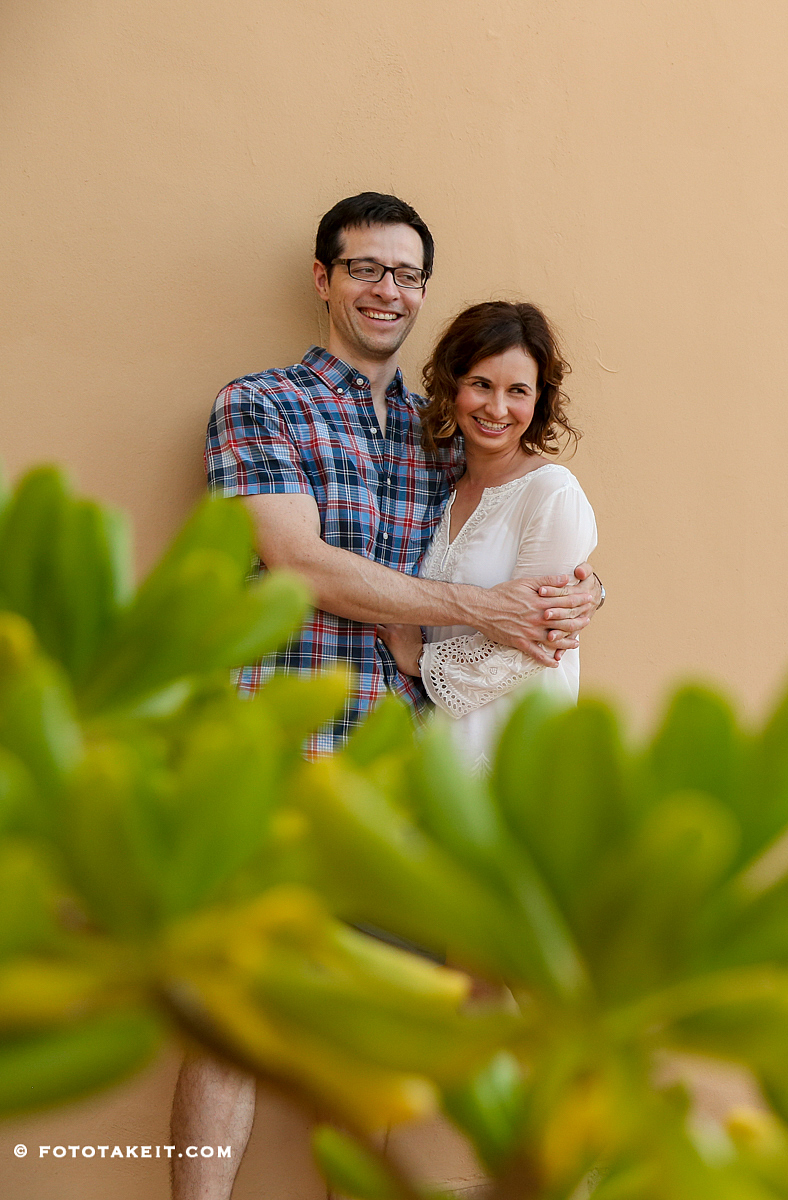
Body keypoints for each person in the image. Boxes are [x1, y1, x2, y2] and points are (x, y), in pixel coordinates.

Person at [189, 193, 602, 1200]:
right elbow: (298, 565)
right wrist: (489, 609)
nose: (389, 289)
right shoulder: (263, 402)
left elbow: (519, 525)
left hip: (404, 767)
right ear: (324, 279)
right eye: (367, 269)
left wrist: (575, 586)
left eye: (408, 274)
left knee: (369, 1032)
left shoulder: (438, 437)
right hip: (284, 733)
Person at [377, 301, 598, 771]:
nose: (497, 408)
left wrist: (422, 661)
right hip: (437, 748)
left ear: (538, 399)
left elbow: (540, 642)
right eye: (480, 384)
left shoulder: (551, 492)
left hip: (519, 751)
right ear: (452, 383)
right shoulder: (439, 487)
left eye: (517, 390)